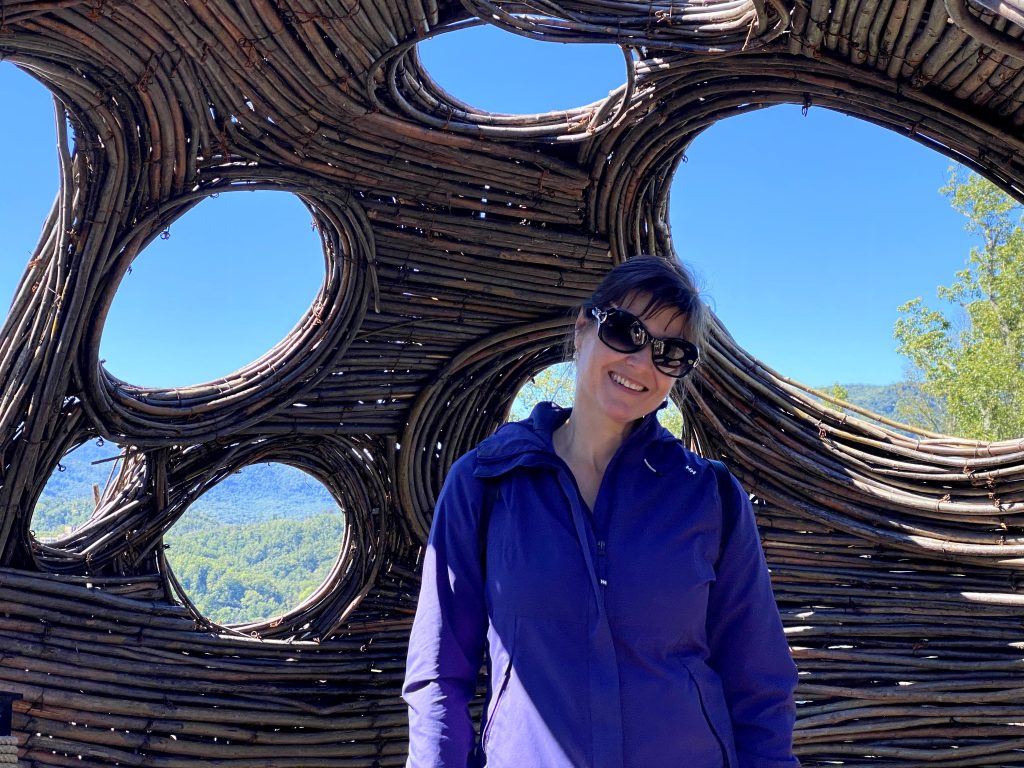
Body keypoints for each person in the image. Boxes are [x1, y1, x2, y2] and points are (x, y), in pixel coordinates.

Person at [403, 255, 799, 768]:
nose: (642, 363)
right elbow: (439, 674)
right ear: (582, 328)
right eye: (626, 331)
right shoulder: (485, 484)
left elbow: (759, 681)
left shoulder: (710, 497)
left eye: (670, 352)